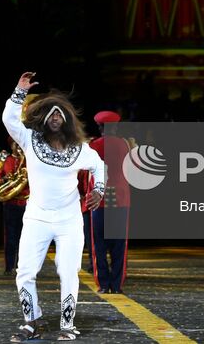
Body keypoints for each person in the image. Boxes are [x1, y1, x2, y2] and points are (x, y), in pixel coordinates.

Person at [2, 72, 107, 342]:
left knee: (67, 271)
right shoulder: (30, 140)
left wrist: (98, 190)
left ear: (67, 120)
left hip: (69, 219)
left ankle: (68, 324)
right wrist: (19, 91)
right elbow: (9, 119)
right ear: (44, 119)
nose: (56, 116)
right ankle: (30, 321)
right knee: (25, 272)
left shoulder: (80, 149)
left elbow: (99, 165)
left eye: (60, 113)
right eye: (51, 114)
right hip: (36, 217)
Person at [88, 110, 131, 294]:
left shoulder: (93, 145)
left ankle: (103, 284)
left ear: (99, 127)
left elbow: (87, 171)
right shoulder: (125, 145)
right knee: (119, 246)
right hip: (120, 200)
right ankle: (117, 284)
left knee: (99, 245)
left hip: (100, 200)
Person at [0, 139, 29, 275]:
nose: (17, 146)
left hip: (25, 203)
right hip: (10, 202)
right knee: (10, 236)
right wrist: (2, 179)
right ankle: (9, 266)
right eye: (14, 144)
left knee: (25, 237)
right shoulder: (7, 160)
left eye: (19, 144)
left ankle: (22, 266)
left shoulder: (28, 160)